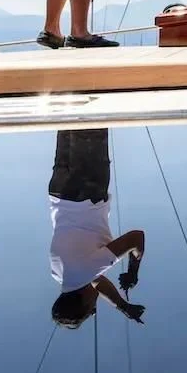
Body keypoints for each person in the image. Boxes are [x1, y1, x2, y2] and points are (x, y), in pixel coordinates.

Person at [47, 128, 148, 329]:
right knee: (67, 119)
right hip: (59, 191)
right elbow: (96, 282)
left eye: (92, 307)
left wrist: (133, 271)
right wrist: (122, 306)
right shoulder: (60, 275)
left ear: (85, 303)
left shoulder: (85, 270)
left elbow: (136, 238)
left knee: (90, 121)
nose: (95, 307)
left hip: (85, 189)